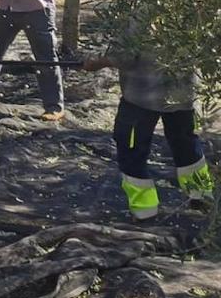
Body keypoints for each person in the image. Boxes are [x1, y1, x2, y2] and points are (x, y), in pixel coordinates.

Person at [83, 32, 213, 220]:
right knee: (185, 143)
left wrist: (96, 62)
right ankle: (202, 196)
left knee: (131, 149)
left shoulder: (135, 6)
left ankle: (145, 211)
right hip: (182, 94)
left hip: (141, 97)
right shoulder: (194, 4)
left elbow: (125, 56)